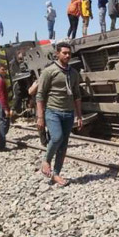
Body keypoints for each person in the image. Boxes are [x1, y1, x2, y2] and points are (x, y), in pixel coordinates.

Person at [36, 42, 83, 186]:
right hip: (53, 111)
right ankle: (46, 161)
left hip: (68, 113)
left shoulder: (73, 73)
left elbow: (77, 95)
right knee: (57, 138)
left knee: (63, 146)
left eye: (69, 53)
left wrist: (79, 115)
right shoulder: (49, 71)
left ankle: (56, 174)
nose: (67, 55)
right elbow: (40, 95)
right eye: (64, 53)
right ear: (57, 53)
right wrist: (40, 117)